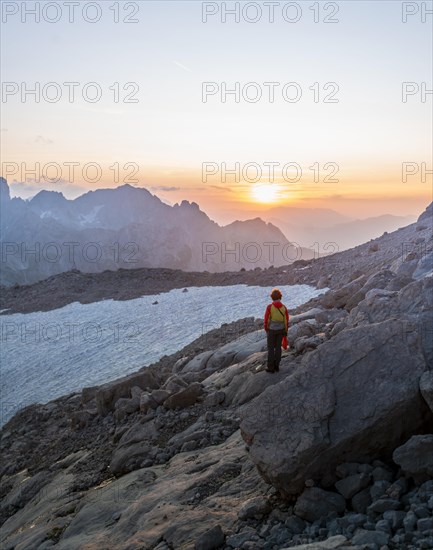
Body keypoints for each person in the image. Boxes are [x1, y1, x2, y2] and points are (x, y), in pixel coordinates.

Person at [263, 288, 289, 373]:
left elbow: (266, 319)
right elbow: (286, 320)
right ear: (280, 297)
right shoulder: (284, 308)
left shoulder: (270, 307)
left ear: (272, 297)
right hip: (281, 330)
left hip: (272, 330)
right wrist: (286, 330)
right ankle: (277, 366)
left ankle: (271, 368)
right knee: (278, 348)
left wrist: (266, 328)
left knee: (270, 348)